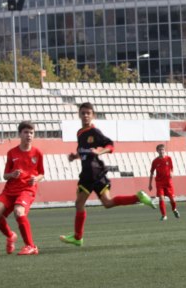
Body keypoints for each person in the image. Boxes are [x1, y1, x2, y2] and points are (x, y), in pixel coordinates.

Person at [59, 102, 156, 247]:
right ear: (79, 114)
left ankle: (78, 237)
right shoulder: (80, 133)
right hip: (96, 170)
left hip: (90, 172)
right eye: (83, 113)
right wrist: (75, 156)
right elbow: (84, 151)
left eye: (88, 113)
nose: (85, 115)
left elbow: (110, 145)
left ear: (93, 115)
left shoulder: (94, 132)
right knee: (107, 203)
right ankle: (138, 197)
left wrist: (100, 151)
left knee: (79, 203)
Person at [0, 121, 44, 255]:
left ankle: (31, 246)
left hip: (27, 189)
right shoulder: (12, 153)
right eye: (26, 132)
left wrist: (36, 179)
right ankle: (10, 236)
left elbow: (41, 173)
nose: (29, 135)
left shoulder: (37, 153)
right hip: (10, 190)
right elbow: (5, 175)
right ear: (20, 134)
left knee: (19, 212)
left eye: (31, 133)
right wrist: (12, 174)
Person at [148, 143, 180, 221]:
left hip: (168, 183)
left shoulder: (169, 158)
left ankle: (174, 209)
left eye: (162, 149)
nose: (161, 151)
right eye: (160, 150)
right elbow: (152, 172)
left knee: (172, 199)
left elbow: (171, 168)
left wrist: (172, 173)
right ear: (157, 151)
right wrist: (150, 184)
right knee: (161, 199)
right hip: (159, 183)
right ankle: (164, 215)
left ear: (164, 150)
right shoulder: (155, 161)